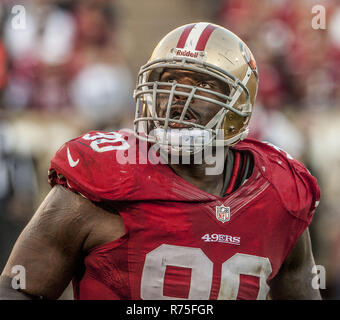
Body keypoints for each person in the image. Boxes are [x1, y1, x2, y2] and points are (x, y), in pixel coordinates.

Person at [0, 22, 321, 300]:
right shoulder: (101, 180)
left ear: (239, 106)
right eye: (169, 81)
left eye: (204, 85)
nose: (180, 96)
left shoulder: (279, 195)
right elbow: (18, 288)